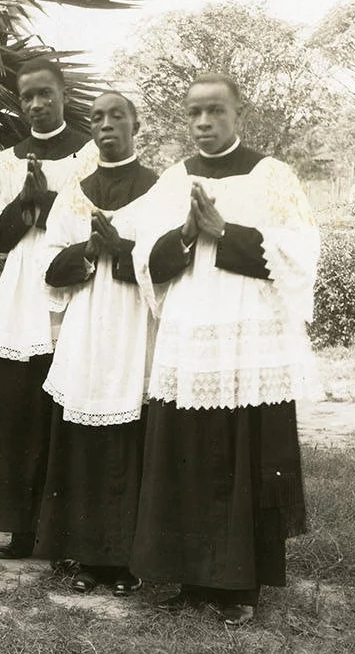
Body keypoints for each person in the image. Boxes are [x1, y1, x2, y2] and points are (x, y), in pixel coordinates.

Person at [130, 73, 318, 626]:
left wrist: (225, 231)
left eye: (215, 111)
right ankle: (191, 578)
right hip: (191, 336)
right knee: (187, 450)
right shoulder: (173, 180)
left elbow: (300, 254)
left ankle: (240, 586)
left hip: (249, 338)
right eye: (194, 113)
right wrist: (187, 235)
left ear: (240, 114)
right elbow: (146, 260)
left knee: (244, 452)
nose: (204, 122)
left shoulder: (272, 175)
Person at [0, 58, 98, 559]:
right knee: (20, 409)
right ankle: (22, 528)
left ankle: (64, 529)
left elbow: (94, 219)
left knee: (67, 407)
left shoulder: (89, 154)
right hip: (24, 294)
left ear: (63, 94)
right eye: (28, 96)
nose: (37, 104)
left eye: (46, 93)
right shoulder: (5, 162)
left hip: (75, 285)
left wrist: (41, 204)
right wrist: (23, 206)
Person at [34, 91, 159, 595]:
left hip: (135, 328)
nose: (106, 124)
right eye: (97, 117)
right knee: (84, 442)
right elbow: (49, 266)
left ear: (136, 125)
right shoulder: (74, 193)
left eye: (117, 116)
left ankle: (128, 561)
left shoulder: (159, 190)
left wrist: (122, 249)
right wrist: (88, 248)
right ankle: (86, 556)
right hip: (87, 328)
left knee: (132, 439)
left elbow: (168, 262)